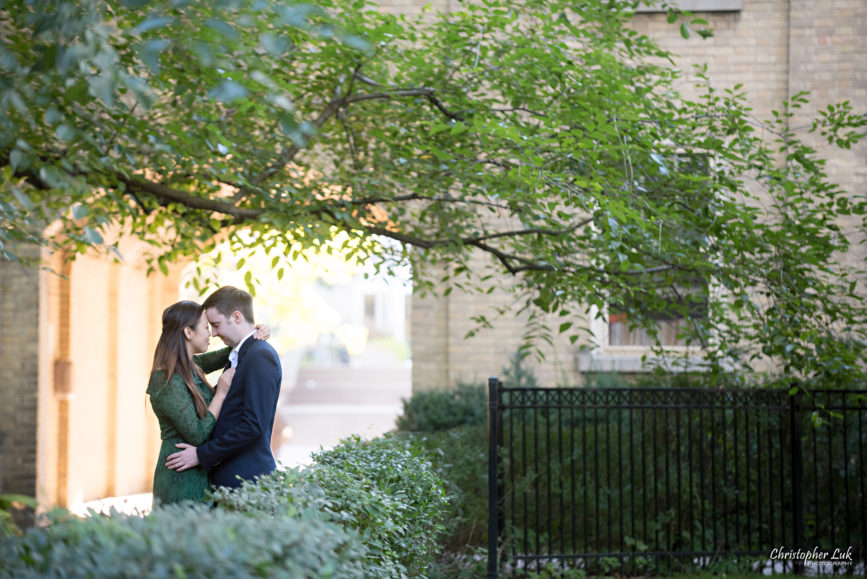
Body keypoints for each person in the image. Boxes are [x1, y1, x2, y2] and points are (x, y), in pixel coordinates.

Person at [147, 300, 269, 506]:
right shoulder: (166, 380)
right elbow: (197, 434)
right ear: (188, 332)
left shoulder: (191, 364)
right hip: (180, 474)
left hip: (197, 470)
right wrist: (220, 393)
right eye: (206, 327)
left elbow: (230, 352)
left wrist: (253, 333)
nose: (211, 334)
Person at [166, 286, 283, 490]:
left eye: (216, 324)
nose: (214, 333)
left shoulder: (260, 355)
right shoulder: (241, 354)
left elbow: (253, 425)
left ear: (236, 316)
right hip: (231, 477)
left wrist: (201, 455)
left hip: (246, 479)